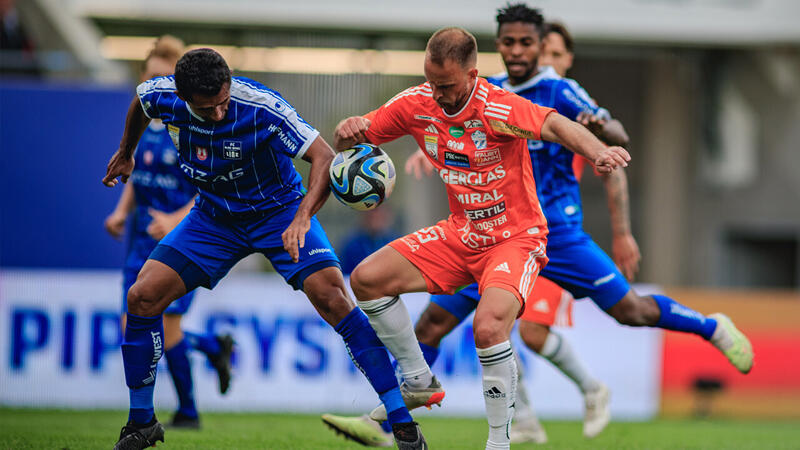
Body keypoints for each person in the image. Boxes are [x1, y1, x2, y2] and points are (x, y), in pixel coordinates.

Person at [103, 48, 426, 450]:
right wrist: (127, 152)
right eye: (207, 109)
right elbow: (140, 99)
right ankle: (141, 423)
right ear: (184, 98)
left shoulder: (263, 107)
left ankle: (400, 421)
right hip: (213, 217)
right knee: (142, 296)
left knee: (334, 298)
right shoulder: (164, 96)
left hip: (279, 213)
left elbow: (323, 156)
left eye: (223, 101)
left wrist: (303, 216)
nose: (219, 113)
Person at [333, 26, 631, 450]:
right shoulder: (417, 103)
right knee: (365, 279)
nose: (437, 93)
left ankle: (499, 443)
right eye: (432, 82)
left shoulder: (498, 106)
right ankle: (418, 380)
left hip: (516, 239)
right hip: (462, 233)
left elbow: (557, 125)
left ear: (473, 74)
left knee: (489, 328)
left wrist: (598, 152)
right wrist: (348, 132)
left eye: (447, 85)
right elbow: (356, 139)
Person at [104, 36, 234, 430]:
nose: (157, 86)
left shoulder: (191, 127)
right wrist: (121, 211)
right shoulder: (143, 126)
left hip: (181, 237)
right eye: (150, 78)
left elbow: (209, 187)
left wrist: (176, 219)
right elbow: (137, 178)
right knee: (134, 325)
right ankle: (212, 347)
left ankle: (189, 411)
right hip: (140, 239)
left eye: (164, 77)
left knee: (167, 327)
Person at [339, 208, 400, 275]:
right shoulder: (352, 244)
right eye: (372, 218)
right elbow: (345, 273)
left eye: (380, 218)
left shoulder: (396, 243)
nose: (376, 222)